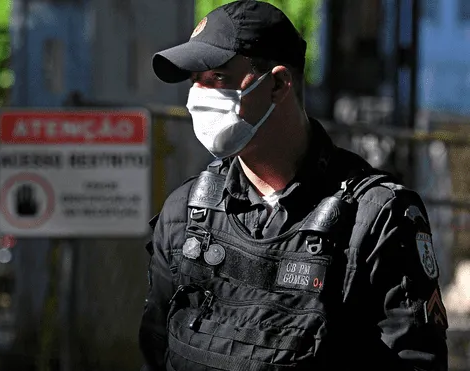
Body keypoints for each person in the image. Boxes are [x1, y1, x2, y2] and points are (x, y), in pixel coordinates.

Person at [138, 1, 449, 370]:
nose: (197, 97)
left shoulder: (377, 221)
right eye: (194, 80)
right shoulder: (184, 213)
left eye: (217, 78)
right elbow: (156, 351)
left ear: (278, 84)